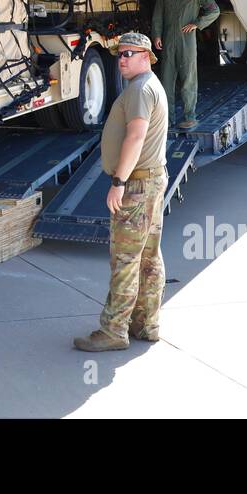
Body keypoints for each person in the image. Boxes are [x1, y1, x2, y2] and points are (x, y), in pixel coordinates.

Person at [74, 31, 169, 351]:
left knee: (126, 258)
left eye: (129, 53)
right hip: (152, 180)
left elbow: (136, 137)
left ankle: (114, 330)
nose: (122, 59)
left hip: (138, 185)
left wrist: (118, 183)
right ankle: (146, 323)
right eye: (120, 54)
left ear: (146, 56)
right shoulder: (147, 86)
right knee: (147, 256)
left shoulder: (141, 89)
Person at [151, 0, 220, 130]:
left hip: (187, 42)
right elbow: (158, 16)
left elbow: (214, 10)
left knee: (188, 79)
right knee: (166, 80)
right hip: (168, 42)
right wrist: (156, 35)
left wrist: (198, 23)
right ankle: (167, 118)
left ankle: (190, 116)